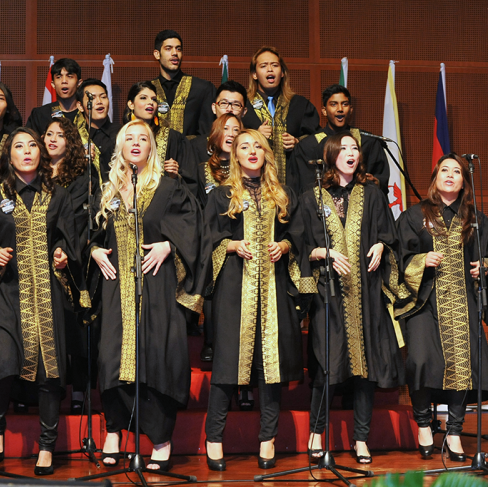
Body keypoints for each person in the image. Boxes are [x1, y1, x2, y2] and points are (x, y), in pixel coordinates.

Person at [90, 119, 208, 470]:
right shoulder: (107, 191)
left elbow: (194, 231)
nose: (137, 143)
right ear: (120, 147)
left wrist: (169, 246)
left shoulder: (170, 187)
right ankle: (114, 430)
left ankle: (161, 438)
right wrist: (95, 250)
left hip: (156, 287)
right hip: (115, 291)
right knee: (111, 360)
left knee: (156, 360)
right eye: (130, 138)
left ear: (152, 146)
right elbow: (92, 233)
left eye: (144, 138)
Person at [0, 127, 88, 475]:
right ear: (8, 156)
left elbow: (68, 240)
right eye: (19, 146)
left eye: (32, 146)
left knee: (49, 371)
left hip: (46, 293)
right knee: (3, 363)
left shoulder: (58, 196)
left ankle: (46, 445)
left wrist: (61, 255)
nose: (26, 151)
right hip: (5, 294)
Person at [204, 129, 308, 470]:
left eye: (257, 146)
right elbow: (207, 240)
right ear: (234, 155)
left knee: (270, 369)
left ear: (266, 153)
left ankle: (268, 440)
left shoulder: (283, 194)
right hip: (234, 288)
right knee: (225, 367)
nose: (251, 151)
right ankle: (214, 440)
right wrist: (231, 245)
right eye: (243, 146)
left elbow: (297, 234)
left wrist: (286, 246)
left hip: (274, 288)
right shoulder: (222, 195)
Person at [300, 132, 404, 464]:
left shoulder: (372, 195)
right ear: (330, 155)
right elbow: (299, 246)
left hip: (367, 293)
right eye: (343, 148)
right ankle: (316, 433)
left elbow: (389, 235)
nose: (350, 153)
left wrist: (381, 245)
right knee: (328, 366)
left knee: (366, 370)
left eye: (355, 148)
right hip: (329, 295)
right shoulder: (311, 198)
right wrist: (318, 251)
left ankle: (361, 439)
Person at [397, 154, 488, 462]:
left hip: (463, 301)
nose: (450, 175)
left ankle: (455, 432)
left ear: (464, 181)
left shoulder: (476, 219)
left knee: (463, 365)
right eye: (444, 170)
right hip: (424, 301)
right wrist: (422, 260)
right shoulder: (415, 215)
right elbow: (397, 257)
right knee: (421, 361)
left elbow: (484, 256)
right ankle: (424, 424)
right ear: (435, 177)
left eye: (457, 172)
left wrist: (483, 267)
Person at [43, 116, 100, 413]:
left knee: (75, 326)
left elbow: (78, 222)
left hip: (71, 260)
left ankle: (80, 388)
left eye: (60, 135)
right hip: (36, 256)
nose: (52, 139)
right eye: (48, 134)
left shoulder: (82, 177)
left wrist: (63, 249)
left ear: (71, 142)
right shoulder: (32, 173)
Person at [197, 113, 243, 365]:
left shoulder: (249, 168)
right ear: (216, 134)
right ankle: (211, 341)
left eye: (237, 130)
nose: (232, 134)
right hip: (211, 237)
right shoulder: (201, 169)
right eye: (226, 129)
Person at [287, 84, 389, 195]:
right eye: (334, 104)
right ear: (324, 111)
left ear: (350, 110)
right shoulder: (309, 145)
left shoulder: (368, 142)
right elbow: (301, 185)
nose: (340, 109)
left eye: (344, 104)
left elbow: (380, 178)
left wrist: (377, 182)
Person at [242, 46, 320, 185]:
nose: (270, 69)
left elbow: (316, 138)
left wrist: (298, 142)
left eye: (275, 65)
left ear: (282, 72)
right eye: (263, 66)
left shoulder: (300, 105)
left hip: (293, 182)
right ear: (254, 74)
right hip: (252, 184)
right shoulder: (244, 105)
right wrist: (255, 136)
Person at [123, 81, 203, 202]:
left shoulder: (173, 138)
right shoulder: (120, 136)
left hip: (163, 204)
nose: (150, 102)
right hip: (128, 200)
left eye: (154, 99)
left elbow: (191, 182)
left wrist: (176, 175)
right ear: (131, 104)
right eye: (143, 98)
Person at [151, 30, 215, 137]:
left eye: (178, 49)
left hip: (191, 152)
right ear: (157, 54)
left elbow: (207, 133)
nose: (175, 53)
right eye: (168, 48)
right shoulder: (147, 90)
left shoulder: (202, 88)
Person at [190, 80, 248, 165]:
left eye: (236, 105)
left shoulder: (251, 146)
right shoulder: (196, 146)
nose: (229, 109)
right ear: (214, 108)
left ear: (244, 111)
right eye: (224, 103)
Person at [76, 78, 121, 183]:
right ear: (80, 106)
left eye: (103, 97)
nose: (99, 102)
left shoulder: (122, 132)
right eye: (92, 98)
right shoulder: (75, 136)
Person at [26, 58, 82, 136]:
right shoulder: (40, 114)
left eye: (69, 76)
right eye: (59, 77)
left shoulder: (87, 112)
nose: (64, 81)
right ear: (53, 84)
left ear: (79, 82)